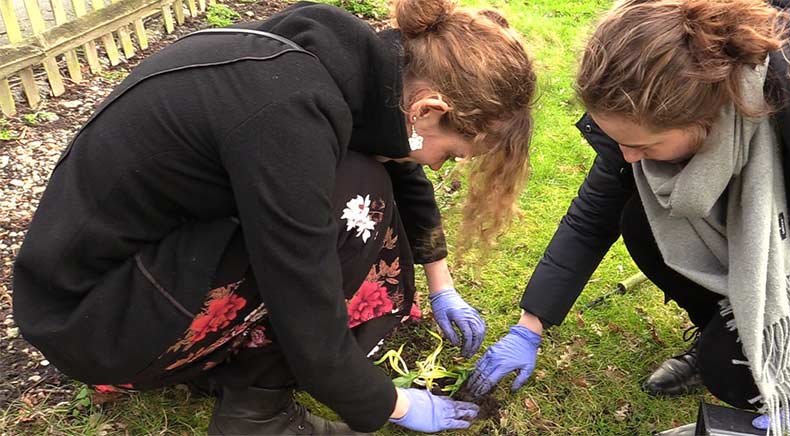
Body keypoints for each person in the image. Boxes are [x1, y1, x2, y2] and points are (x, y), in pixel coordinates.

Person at [12, 0, 535, 434]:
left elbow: (394, 157)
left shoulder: (337, 57)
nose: (439, 164)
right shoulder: (287, 118)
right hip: (96, 323)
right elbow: (303, 294)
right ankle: (259, 412)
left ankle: (222, 362)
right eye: (450, 154)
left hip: (122, 273)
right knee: (359, 203)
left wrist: (440, 278)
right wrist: (389, 406)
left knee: (366, 180)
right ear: (425, 111)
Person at [467, 0, 790, 434]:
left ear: (707, 120)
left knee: (733, 372)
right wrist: (529, 325)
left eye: (643, 145)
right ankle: (720, 328)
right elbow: (595, 213)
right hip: (761, 246)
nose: (628, 157)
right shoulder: (644, 109)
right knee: (641, 217)